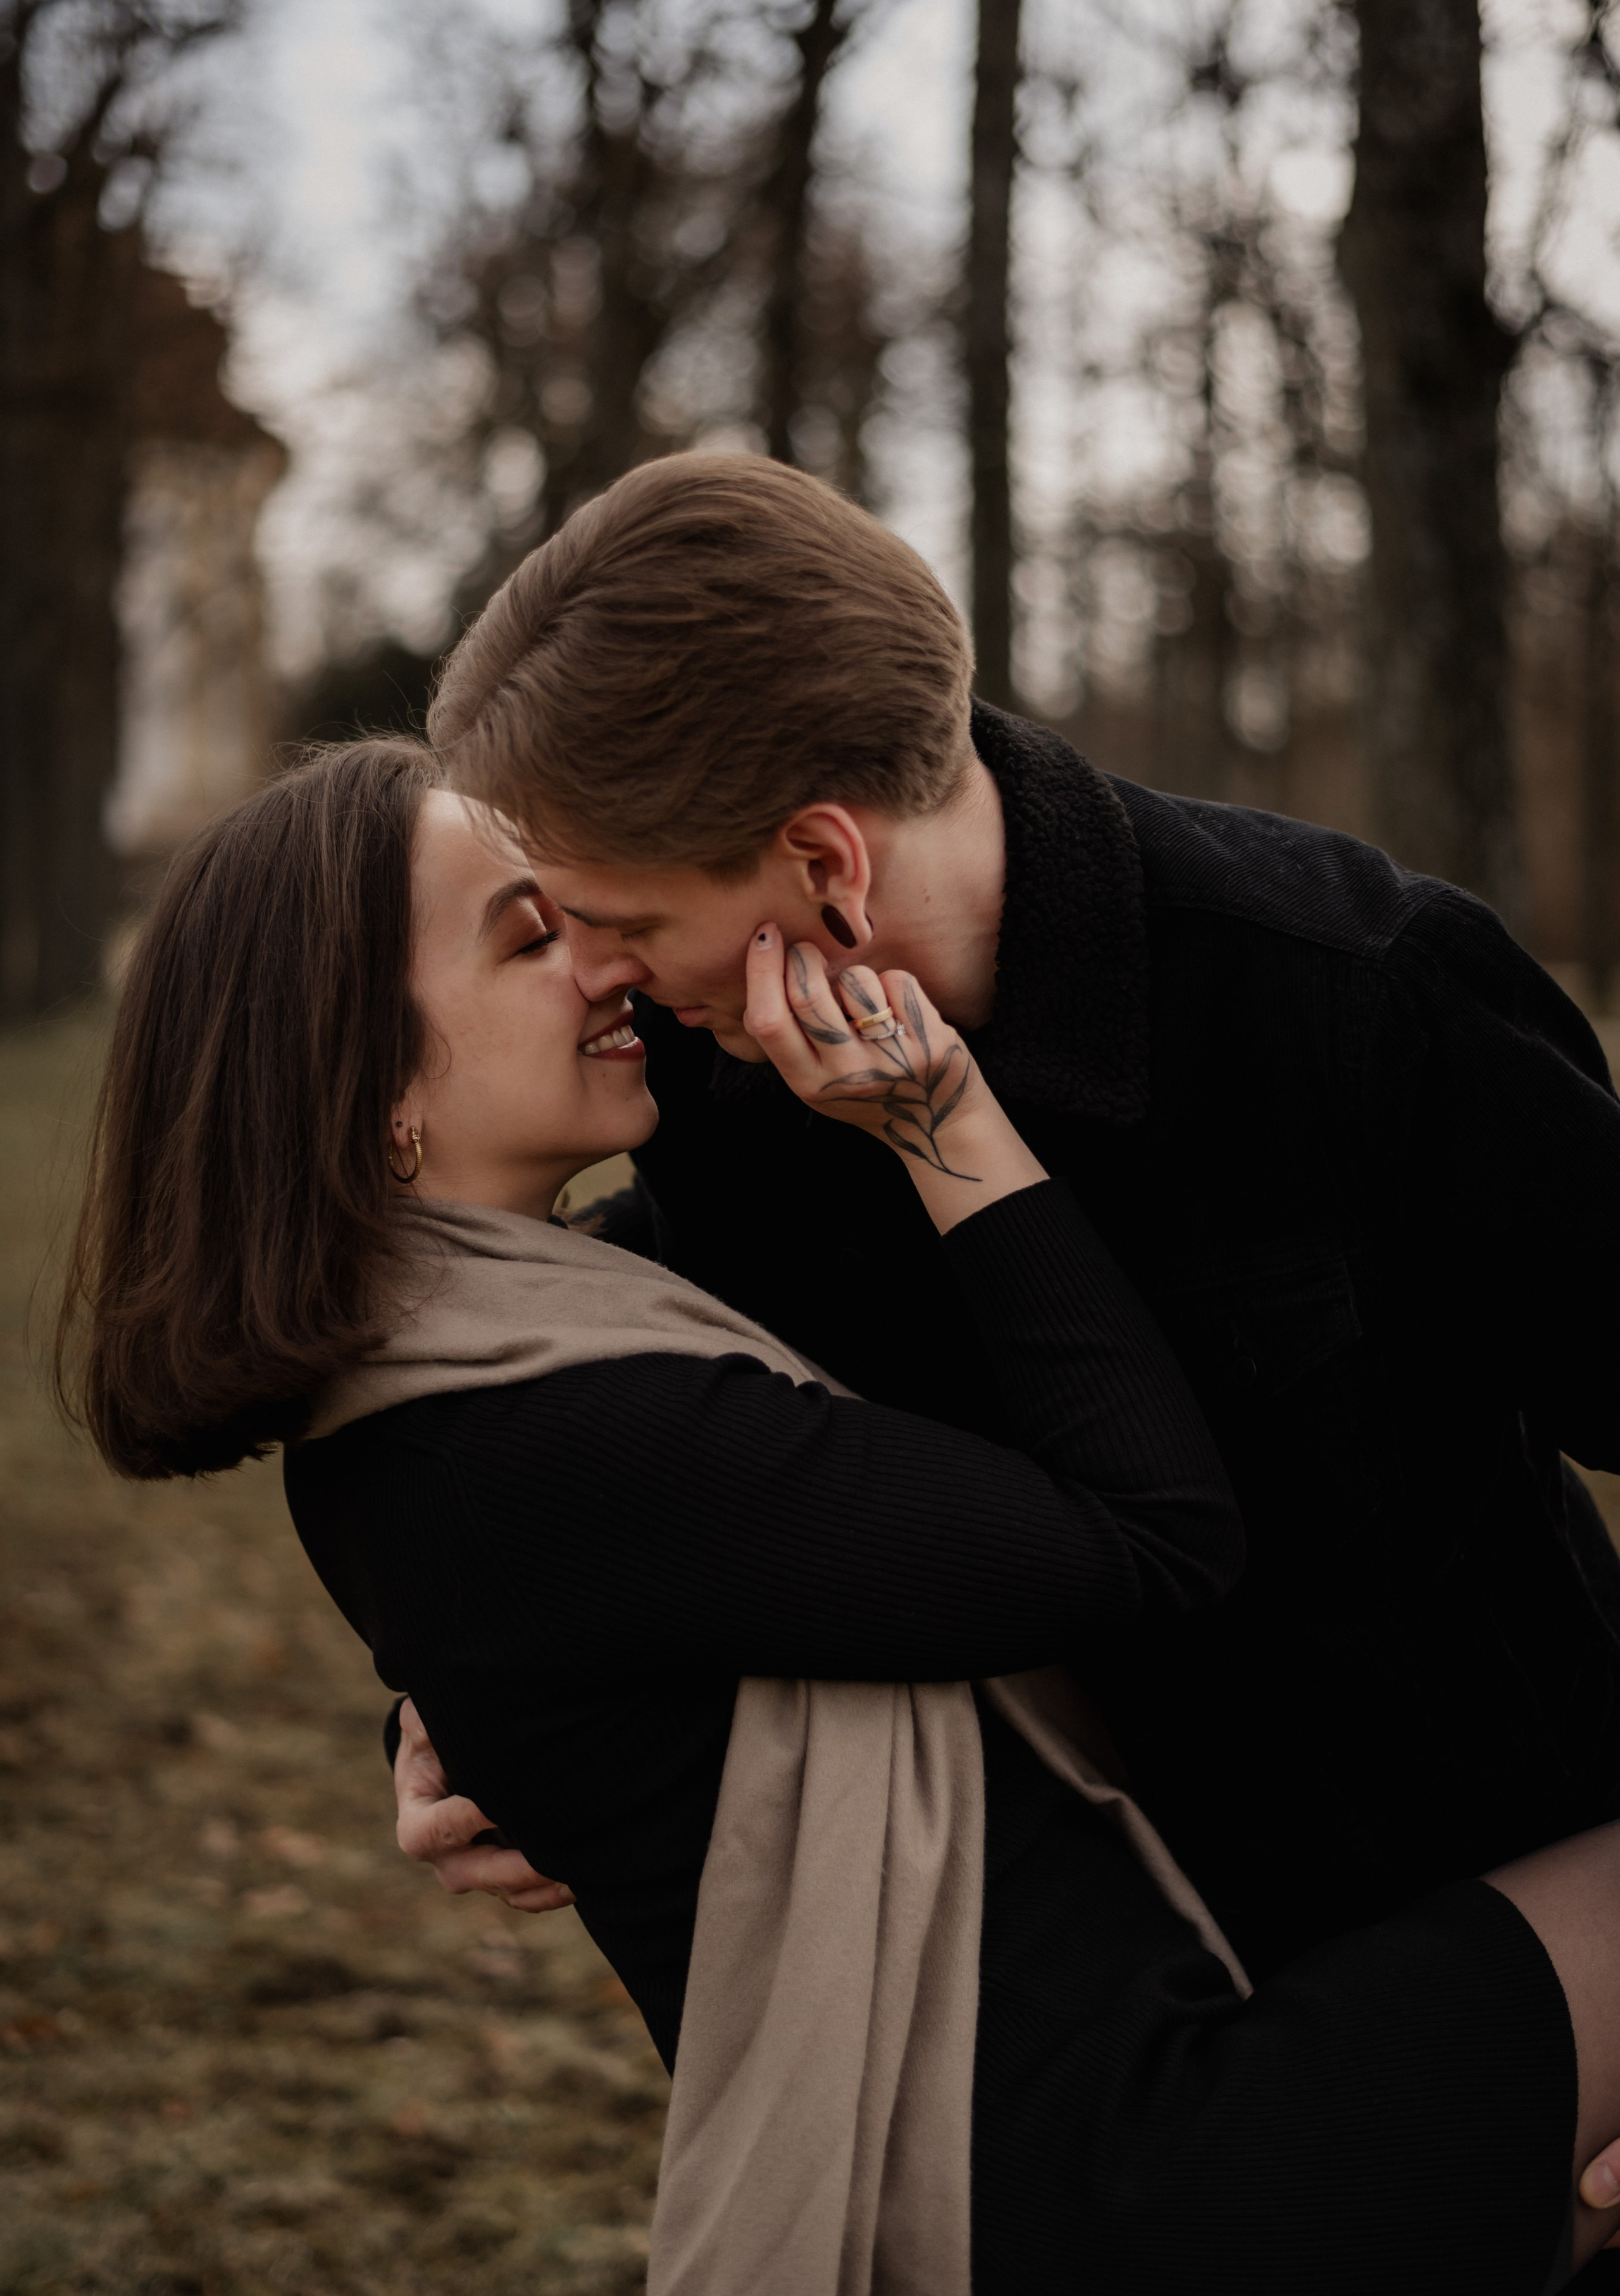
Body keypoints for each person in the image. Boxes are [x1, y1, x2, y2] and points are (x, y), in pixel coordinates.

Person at [54, 739, 1620, 2290]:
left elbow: (619, 1583)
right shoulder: (559, 1413)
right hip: (1140, 2170)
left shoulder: (457, 1370)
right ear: (371, 1090)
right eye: (532, 936)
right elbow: (1145, 1533)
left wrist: (491, 1721)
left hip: (1061, 2140)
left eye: (593, 913)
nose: (605, 966)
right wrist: (952, 1128)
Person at [416, 449, 1620, 1992]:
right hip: (1080, 2011)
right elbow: (648, 1437)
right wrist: (456, 1712)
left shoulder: (1353, 990)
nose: (599, 971)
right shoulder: (716, 1092)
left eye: (628, 920)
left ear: (825, 863)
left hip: (1509, 1929)